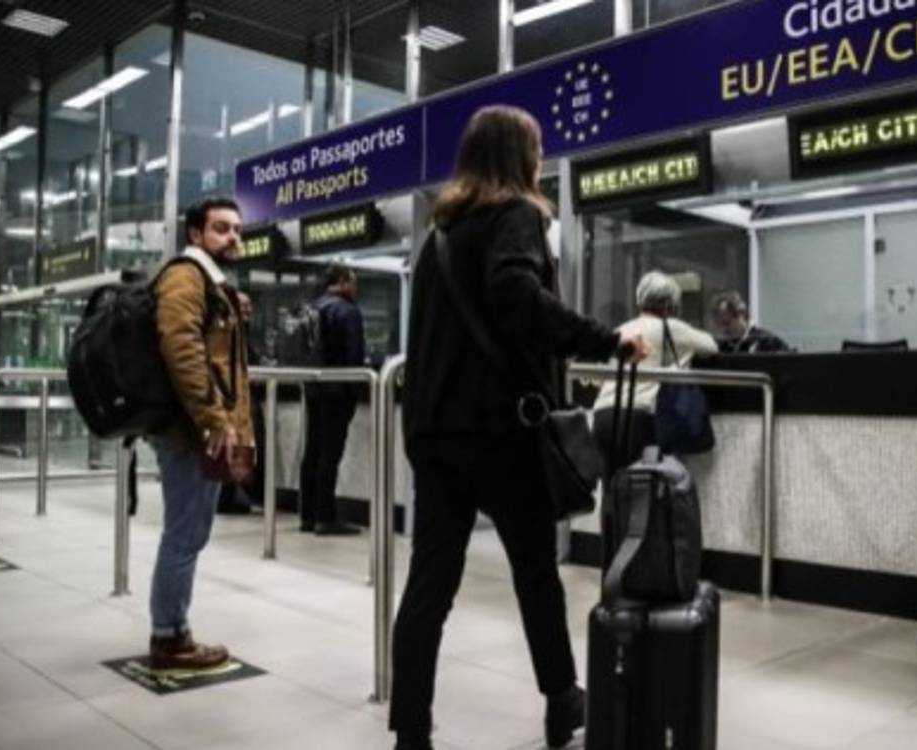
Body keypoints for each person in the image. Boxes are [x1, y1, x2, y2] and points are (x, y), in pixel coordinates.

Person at [391, 105, 649, 750]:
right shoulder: (517, 213)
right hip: (500, 431)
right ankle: (562, 701)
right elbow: (516, 295)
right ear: (519, 155)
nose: (542, 157)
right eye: (537, 147)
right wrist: (605, 338)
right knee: (535, 573)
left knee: (430, 583)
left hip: (436, 431)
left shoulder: (441, 233)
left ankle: (411, 730)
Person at [148, 196, 255, 671]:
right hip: (191, 431)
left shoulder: (210, 283)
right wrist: (213, 418)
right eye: (221, 228)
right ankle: (169, 636)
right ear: (195, 234)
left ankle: (173, 628)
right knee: (185, 533)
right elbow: (182, 349)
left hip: (199, 428)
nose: (233, 237)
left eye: (237, 229)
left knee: (190, 531)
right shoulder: (185, 277)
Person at [592, 270, 719, 468]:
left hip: (602, 415)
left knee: (612, 483)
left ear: (639, 302)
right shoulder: (671, 327)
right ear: (670, 305)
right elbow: (711, 346)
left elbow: (599, 377)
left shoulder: (622, 331)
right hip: (638, 415)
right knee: (643, 482)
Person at [299, 264, 365, 536]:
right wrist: (357, 389)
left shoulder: (313, 307)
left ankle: (308, 516)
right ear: (342, 281)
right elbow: (354, 354)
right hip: (338, 391)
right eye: (354, 282)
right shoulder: (347, 311)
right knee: (330, 453)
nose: (356, 288)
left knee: (313, 451)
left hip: (314, 387)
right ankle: (326, 517)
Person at [217, 291, 262, 515]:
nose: (247, 310)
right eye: (243, 305)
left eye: (249, 306)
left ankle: (233, 493)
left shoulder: (244, 332)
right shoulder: (228, 331)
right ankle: (227, 496)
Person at [710, 290, 792, 353]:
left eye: (726, 323)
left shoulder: (768, 342)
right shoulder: (723, 347)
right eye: (719, 325)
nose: (723, 329)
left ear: (741, 315)